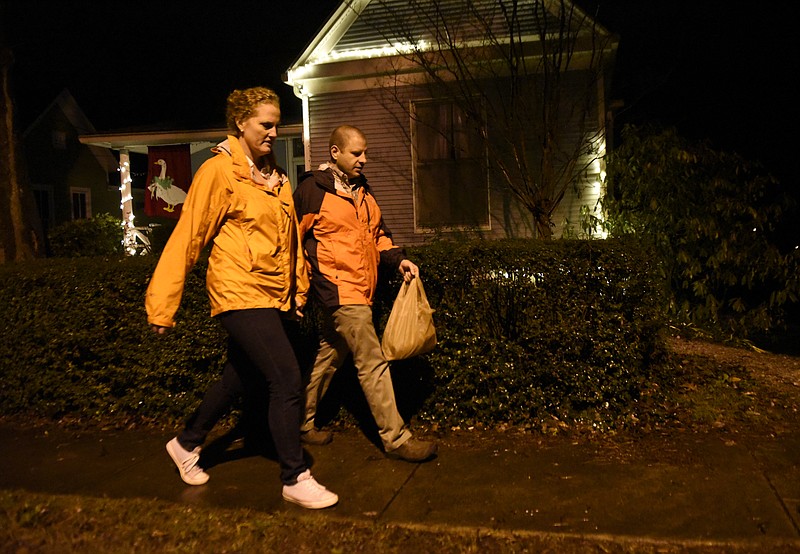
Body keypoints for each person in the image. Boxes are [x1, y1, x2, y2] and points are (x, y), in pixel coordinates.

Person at [145, 87, 338, 509]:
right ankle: (294, 476)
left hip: (271, 294)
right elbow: (189, 236)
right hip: (237, 289)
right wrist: (163, 304)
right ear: (241, 124)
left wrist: (298, 291)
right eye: (265, 124)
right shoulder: (218, 172)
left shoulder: (278, 177)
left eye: (276, 124)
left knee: (241, 376)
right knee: (287, 379)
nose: (273, 132)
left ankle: (186, 442)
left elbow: (290, 242)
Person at [293, 125, 437, 463]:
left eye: (364, 152)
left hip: (361, 289)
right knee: (372, 363)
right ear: (335, 153)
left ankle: (299, 422)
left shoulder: (362, 192)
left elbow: (379, 236)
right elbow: (290, 243)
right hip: (339, 290)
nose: (364, 159)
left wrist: (399, 260)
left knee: (329, 355)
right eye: (356, 153)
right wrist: (301, 290)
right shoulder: (313, 191)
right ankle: (396, 439)